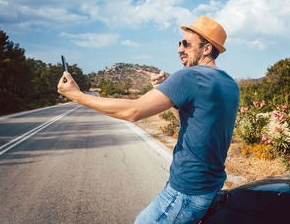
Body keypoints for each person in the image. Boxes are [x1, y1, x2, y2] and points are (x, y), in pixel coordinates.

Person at [57, 15, 240, 223]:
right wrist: (169, 94)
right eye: (179, 43)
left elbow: (133, 111)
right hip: (210, 187)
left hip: (186, 191)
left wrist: (78, 96)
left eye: (186, 44)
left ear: (206, 49)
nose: (179, 49)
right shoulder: (229, 84)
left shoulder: (189, 76)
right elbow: (192, 123)